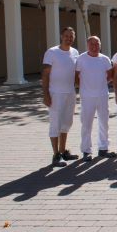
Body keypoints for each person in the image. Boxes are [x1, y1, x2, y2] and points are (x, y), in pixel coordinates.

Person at [41, 27, 80, 167]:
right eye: (66, 36)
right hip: (55, 93)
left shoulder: (75, 52)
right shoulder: (52, 52)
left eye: (71, 36)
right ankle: (56, 155)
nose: (68, 38)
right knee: (55, 123)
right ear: (61, 36)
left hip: (70, 93)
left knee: (66, 122)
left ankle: (63, 151)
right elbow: (45, 74)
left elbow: (76, 74)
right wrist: (46, 94)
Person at [75, 36, 115, 161]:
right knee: (86, 124)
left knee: (104, 123)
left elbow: (110, 76)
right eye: (91, 44)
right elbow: (76, 76)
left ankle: (103, 148)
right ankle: (86, 150)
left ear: (100, 45)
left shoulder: (105, 59)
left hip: (102, 96)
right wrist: (83, 88)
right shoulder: (81, 59)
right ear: (87, 45)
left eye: (97, 44)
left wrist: (100, 85)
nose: (94, 46)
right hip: (87, 97)